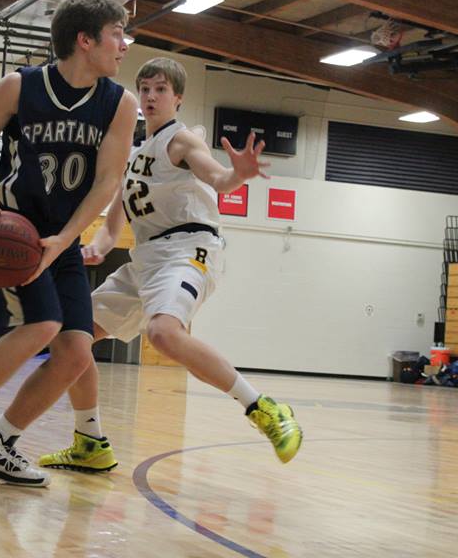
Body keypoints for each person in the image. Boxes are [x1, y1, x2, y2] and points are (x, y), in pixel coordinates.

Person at [37, 57, 303, 473]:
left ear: (177, 97)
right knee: (74, 337)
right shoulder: (131, 155)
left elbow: (217, 179)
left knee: (162, 332)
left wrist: (239, 175)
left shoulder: (182, 141)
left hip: (188, 248)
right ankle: (89, 441)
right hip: (144, 259)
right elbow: (111, 229)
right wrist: (94, 248)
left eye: (160, 89)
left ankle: (264, 407)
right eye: (144, 88)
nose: (150, 96)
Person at [0, 0, 138, 487]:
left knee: (78, 353)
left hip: (59, 240)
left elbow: (107, 182)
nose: (124, 45)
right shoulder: (19, 87)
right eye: (116, 34)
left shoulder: (119, 104)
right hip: (14, 232)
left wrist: (65, 239)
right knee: (43, 325)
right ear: (86, 40)